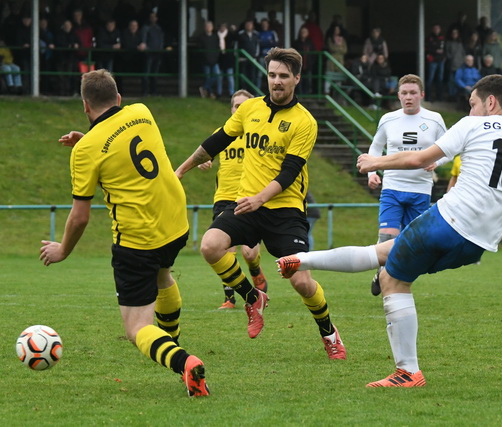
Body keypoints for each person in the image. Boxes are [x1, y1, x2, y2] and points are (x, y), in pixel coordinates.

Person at [275, 75, 502, 388]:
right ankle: (300, 260)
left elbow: (419, 158)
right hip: (477, 245)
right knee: (385, 254)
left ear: (490, 102)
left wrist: (375, 161)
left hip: (445, 222)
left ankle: (407, 371)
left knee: (391, 280)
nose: (471, 110)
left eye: (473, 104)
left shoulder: (473, 125)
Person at [39, 69, 209, 397]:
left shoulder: (85, 152)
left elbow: (80, 217)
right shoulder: (142, 112)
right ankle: (173, 344)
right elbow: (119, 144)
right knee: (163, 276)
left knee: (137, 328)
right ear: (118, 98)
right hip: (176, 223)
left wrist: (62, 250)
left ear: (85, 106)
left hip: (138, 239)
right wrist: (87, 142)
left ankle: (184, 362)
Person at [175, 47, 346, 359]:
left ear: (297, 78)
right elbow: (216, 142)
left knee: (301, 281)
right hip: (247, 206)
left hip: (285, 211)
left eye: (283, 76)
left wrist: (260, 198)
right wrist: (181, 170)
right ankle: (252, 297)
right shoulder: (249, 109)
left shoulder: (305, 122)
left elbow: (290, 172)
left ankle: (329, 333)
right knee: (210, 246)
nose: (276, 81)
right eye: (272, 75)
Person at [366, 74, 447, 296]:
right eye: (404, 93)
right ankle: (382, 274)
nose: (408, 97)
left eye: (413, 93)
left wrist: (437, 162)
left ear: (421, 95)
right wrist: (372, 172)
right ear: (398, 95)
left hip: (420, 190)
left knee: (413, 244)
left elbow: (449, 149)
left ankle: (392, 276)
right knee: (387, 235)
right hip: (392, 187)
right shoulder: (388, 119)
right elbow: (375, 148)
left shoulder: (435, 119)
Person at [197, 90, 269, 309]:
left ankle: (255, 270)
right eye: (236, 105)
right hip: (224, 197)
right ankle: (229, 297)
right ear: (231, 109)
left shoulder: (259, 134)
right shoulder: (222, 133)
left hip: (250, 196)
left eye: (244, 105)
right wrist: (204, 162)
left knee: (249, 253)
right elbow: (206, 153)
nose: (239, 109)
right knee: (224, 249)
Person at [140, 12, 170, 96]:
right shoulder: (146, 28)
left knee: (155, 74)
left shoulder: (159, 29)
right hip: (149, 53)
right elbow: (143, 40)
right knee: (146, 73)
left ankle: (154, 92)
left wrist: (161, 49)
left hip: (157, 53)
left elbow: (161, 40)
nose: (153, 19)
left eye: (154, 17)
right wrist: (145, 47)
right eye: (151, 17)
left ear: (157, 18)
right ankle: (145, 92)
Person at [197, 20, 221, 99]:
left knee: (217, 75)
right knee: (207, 77)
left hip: (214, 60)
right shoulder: (201, 37)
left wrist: (216, 57)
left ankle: (204, 88)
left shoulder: (215, 37)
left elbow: (217, 48)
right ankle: (210, 93)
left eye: (210, 26)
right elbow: (200, 49)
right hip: (205, 61)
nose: (208, 28)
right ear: (204, 28)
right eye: (207, 26)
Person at [235, 20, 260, 90]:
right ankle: (243, 91)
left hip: (252, 59)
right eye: (247, 24)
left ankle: (252, 92)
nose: (248, 26)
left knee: (252, 76)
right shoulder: (240, 34)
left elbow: (257, 46)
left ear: (252, 26)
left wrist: (255, 56)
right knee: (243, 77)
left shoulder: (256, 34)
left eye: (250, 24)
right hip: (242, 59)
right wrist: (237, 56)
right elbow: (236, 46)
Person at [292, 26, 316, 95]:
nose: (303, 33)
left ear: (308, 33)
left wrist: (311, 62)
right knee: (299, 81)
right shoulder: (296, 43)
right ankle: (300, 95)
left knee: (308, 80)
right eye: (302, 32)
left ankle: (307, 95)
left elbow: (313, 54)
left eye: (305, 32)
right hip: (299, 65)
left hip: (308, 65)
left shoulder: (310, 43)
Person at [426, 24, 446, 101]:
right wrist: (436, 50)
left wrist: (444, 57)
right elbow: (427, 48)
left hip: (441, 60)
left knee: (440, 79)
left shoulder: (442, 38)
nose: (436, 30)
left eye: (437, 29)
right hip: (433, 60)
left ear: (440, 30)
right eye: (435, 28)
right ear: (432, 29)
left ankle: (439, 97)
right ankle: (428, 97)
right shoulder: (430, 38)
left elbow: (445, 49)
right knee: (430, 79)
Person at [445, 28, 466, 98]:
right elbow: (447, 53)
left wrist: (462, 61)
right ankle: (451, 95)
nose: (454, 35)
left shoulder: (460, 43)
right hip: (451, 65)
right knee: (451, 81)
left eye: (456, 33)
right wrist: (451, 58)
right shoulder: (448, 43)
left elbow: (463, 53)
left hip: (460, 65)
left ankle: (457, 95)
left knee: (458, 81)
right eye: (453, 33)